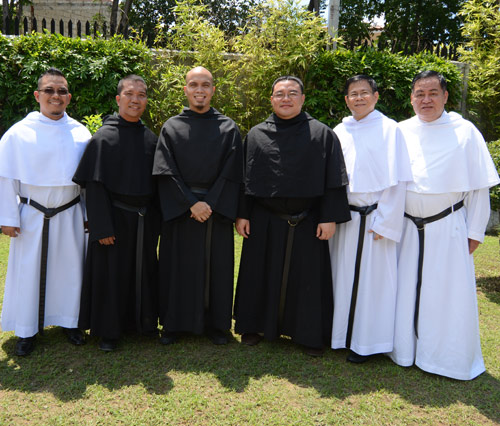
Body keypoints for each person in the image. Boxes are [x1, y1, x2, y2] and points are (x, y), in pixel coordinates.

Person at [389, 70, 500, 380]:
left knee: (445, 294)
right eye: (419, 94)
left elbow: (478, 188)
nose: (426, 100)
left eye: (433, 93)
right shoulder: (400, 131)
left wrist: (475, 231)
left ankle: (443, 359)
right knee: (405, 291)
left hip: (448, 227)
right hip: (407, 229)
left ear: (445, 96)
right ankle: (403, 350)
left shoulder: (465, 132)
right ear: (411, 98)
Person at [234, 76, 351, 356]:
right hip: (264, 219)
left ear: (302, 98)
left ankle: (307, 333)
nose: (285, 98)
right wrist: (242, 214)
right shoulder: (256, 135)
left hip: (308, 219)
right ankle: (253, 325)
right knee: (258, 273)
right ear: (271, 99)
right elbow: (243, 179)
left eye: (292, 93)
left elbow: (333, 178)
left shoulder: (322, 134)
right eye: (279, 94)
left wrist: (328, 217)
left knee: (308, 279)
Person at [0, 67, 90, 356]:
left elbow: (89, 182)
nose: (56, 95)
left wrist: (89, 216)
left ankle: (70, 322)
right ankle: (27, 330)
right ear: (38, 95)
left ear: (69, 97)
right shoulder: (18, 134)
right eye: (49, 90)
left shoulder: (80, 133)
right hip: (32, 215)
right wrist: (7, 217)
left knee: (70, 270)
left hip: (71, 213)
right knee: (28, 273)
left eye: (61, 91)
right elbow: (5, 178)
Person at [153, 66, 242, 345]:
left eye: (205, 85)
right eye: (194, 85)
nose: (200, 90)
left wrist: (209, 203)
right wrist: (191, 204)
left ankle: (217, 326)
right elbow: (166, 171)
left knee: (216, 267)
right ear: (186, 90)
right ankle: (174, 324)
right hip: (182, 209)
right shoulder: (171, 127)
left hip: (215, 208)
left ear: (213, 90)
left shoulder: (228, 128)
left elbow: (232, 172)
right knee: (177, 267)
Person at [328, 75, 413, 363]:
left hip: (375, 219)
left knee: (373, 284)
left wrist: (386, 222)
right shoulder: (340, 130)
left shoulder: (391, 130)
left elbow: (398, 180)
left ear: (376, 97)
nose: (359, 98)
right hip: (345, 218)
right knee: (341, 277)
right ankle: (340, 336)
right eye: (353, 94)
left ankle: (366, 343)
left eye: (365, 93)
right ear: (346, 100)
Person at [73, 75, 160, 351]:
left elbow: (158, 185)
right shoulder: (103, 139)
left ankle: (142, 323)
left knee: (143, 272)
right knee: (111, 274)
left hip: (143, 220)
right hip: (113, 219)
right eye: (130, 94)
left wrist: (155, 222)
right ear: (118, 99)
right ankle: (109, 332)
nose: (136, 100)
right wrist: (102, 227)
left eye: (142, 95)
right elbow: (94, 187)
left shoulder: (150, 138)